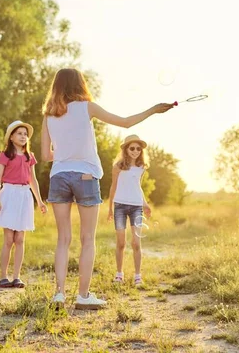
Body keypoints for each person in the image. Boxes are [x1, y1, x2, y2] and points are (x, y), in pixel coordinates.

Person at [41, 68, 174, 309]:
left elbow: (45, 154)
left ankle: (59, 294)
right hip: (86, 175)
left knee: (63, 239)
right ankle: (82, 296)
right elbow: (124, 122)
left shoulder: (49, 114)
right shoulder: (87, 107)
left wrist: (65, 153)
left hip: (59, 175)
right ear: (80, 84)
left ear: (57, 86)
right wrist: (154, 110)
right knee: (87, 238)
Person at [0, 120, 47, 289]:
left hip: (24, 196)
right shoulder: (5, 155)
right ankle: (3, 277)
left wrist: (40, 201)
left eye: (25, 134)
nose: (23, 136)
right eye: (19, 133)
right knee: (8, 239)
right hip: (9, 195)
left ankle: (17, 276)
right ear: (11, 137)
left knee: (20, 238)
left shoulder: (29, 157)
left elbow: (32, 180)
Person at [108, 135, 151, 286]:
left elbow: (138, 186)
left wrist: (145, 204)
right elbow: (113, 187)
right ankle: (119, 274)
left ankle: (138, 276)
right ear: (126, 149)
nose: (135, 151)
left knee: (136, 243)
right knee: (121, 243)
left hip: (136, 207)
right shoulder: (118, 166)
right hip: (119, 206)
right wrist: (110, 208)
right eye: (132, 148)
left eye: (138, 149)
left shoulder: (142, 168)